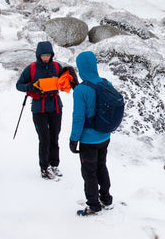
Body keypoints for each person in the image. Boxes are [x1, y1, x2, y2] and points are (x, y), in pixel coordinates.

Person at [16, 41, 78, 180]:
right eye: (43, 55)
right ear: (38, 55)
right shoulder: (31, 69)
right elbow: (19, 85)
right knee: (44, 139)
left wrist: (70, 76)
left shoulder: (56, 66)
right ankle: (44, 168)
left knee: (54, 137)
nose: (46, 58)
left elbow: (64, 80)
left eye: (48, 55)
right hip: (39, 108)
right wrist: (31, 87)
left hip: (56, 106)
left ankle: (54, 164)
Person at [69, 50, 113, 215]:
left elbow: (78, 118)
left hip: (88, 140)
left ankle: (94, 205)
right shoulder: (105, 83)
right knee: (102, 166)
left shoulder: (81, 90)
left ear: (81, 68)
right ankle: (106, 198)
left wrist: (74, 140)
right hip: (105, 135)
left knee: (89, 172)